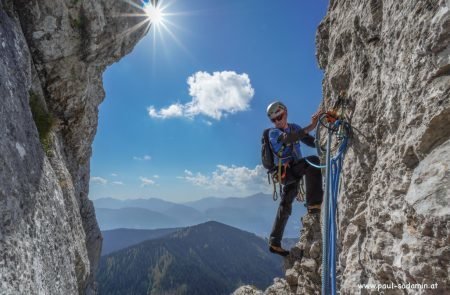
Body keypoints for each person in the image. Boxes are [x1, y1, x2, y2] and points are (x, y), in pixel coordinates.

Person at [266, 101, 323, 256]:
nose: (277, 121)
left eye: (279, 117)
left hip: (293, 171)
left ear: (285, 112)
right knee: (313, 162)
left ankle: (274, 242)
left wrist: (324, 142)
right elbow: (288, 139)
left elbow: (311, 142)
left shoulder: (295, 128)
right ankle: (314, 204)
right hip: (287, 172)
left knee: (286, 204)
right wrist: (311, 126)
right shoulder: (274, 133)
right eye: (274, 120)